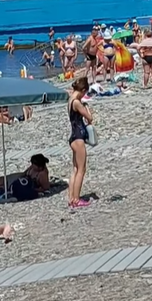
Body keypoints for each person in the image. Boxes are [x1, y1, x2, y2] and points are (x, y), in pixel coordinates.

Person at [67, 77, 94, 209]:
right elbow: (89, 118)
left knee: (75, 169)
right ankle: (77, 199)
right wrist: (87, 107)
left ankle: (71, 198)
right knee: (81, 169)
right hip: (78, 137)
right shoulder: (77, 103)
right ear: (83, 90)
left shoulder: (70, 100)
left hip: (73, 136)